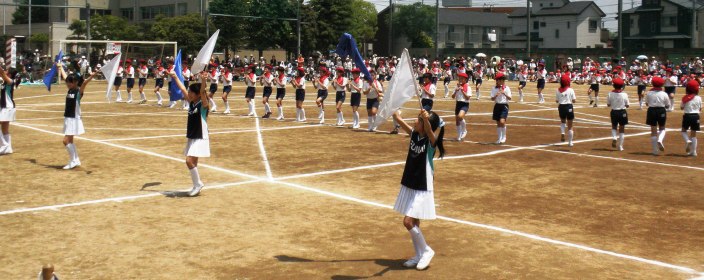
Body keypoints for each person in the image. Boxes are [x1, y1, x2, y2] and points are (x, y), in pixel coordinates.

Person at [391, 109, 445, 271]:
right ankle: (419, 254)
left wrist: (427, 121)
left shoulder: (431, 141)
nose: (416, 121)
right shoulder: (415, 134)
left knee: (407, 222)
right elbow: (401, 122)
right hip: (411, 181)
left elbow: (429, 130)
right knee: (414, 222)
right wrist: (395, 113)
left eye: (419, 120)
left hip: (423, 184)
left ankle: (427, 250)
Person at [170, 70, 210, 197]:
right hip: (192, 135)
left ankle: (198, 184)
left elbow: (203, 92)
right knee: (194, 162)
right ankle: (196, 185)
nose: (189, 93)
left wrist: (203, 80)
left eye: (192, 92)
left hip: (200, 135)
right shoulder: (192, 102)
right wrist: (175, 77)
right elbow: (182, 88)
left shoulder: (203, 104)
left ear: (197, 94)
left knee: (189, 161)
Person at [62, 71, 98, 169]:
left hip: (73, 119)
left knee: (65, 141)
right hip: (68, 117)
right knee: (71, 141)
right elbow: (65, 77)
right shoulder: (69, 90)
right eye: (67, 82)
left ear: (76, 82)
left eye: (71, 82)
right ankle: (76, 160)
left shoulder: (78, 92)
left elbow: (85, 83)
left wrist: (92, 75)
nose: (68, 84)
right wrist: (60, 68)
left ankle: (73, 160)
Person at [645, 77, 671, 155]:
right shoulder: (664, 94)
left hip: (651, 110)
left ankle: (654, 150)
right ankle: (660, 139)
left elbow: (646, 103)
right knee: (662, 128)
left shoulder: (649, 93)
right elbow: (667, 105)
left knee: (653, 130)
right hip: (661, 110)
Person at [607, 78, 629, 151]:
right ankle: (620, 146)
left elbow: (608, 104)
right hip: (622, 112)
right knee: (622, 129)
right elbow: (627, 105)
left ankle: (614, 137)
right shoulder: (624, 94)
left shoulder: (610, 93)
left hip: (614, 111)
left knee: (614, 126)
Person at [681, 79, 702, 156]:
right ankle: (694, 152)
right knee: (693, 134)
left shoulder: (685, 98)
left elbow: (681, 107)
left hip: (687, 115)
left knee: (683, 131)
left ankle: (687, 141)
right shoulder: (699, 98)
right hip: (696, 116)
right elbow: (700, 109)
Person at [491, 72, 511, 144]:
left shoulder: (507, 88)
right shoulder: (494, 88)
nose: (499, 82)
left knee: (502, 121)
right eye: (498, 80)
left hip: (504, 106)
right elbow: (492, 99)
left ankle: (504, 137)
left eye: (501, 80)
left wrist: (504, 93)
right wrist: (496, 95)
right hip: (497, 106)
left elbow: (510, 98)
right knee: (498, 123)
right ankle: (499, 138)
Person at [556, 74, 576, 146]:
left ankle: (562, 133)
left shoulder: (558, 90)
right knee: (570, 125)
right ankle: (570, 142)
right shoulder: (571, 90)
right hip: (569, 107)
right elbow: (574, 100)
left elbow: (557, 101)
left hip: (561, 107)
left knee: (563, 122)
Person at [0, 67, 16, 155]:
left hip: (7, 107)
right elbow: (1, 73)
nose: (5, 71)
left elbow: (2, 73)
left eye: (7, 71)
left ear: (9, 74)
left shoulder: (10, 81)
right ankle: (8, 148)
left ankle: (4, 145)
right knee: (4, 129)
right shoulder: (5, 81)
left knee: (4, 128)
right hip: (5, 107)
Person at [452, 72, 471, 141]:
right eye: (459, 78)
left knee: (460, 117)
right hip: (458, 104)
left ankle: (464, 130)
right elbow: (453, 97)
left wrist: (462, 90)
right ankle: (459, 136)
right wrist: (456, 91)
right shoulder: (456, 87)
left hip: (465, 104)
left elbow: (467, 98)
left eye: (462, 78)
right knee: (457, 121)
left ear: (465, 80)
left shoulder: (468, 87)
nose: (460, 79)